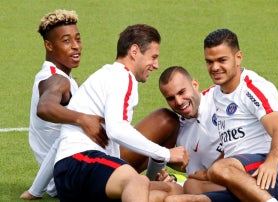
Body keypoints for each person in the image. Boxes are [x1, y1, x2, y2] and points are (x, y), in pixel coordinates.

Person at [53, 24, 188, 201]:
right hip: (82, 164)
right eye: (153, 57)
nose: (156, 65)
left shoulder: (103, 76)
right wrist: (166, 153)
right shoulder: (123, 77)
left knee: (168, 191)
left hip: (72, 175)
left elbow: (60, 143)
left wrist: (35, 190)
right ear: (134, 51)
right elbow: (116, 130)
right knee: (137, 182)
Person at [159, 66, 278, 202]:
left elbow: (277, 127)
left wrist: (272, 161)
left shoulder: (220, 94)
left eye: (182, 92)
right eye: (171, 98)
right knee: (192, 186)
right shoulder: (182, 137)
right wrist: (171, 177)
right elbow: (200, 177)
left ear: (194, 85)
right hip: (252, 180)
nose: (179, 102)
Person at [21, 9, 107, 200]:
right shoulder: (56, 80)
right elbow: (45, 108)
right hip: (70, 175)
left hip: (72, 168)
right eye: (66, 41)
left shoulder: (62, 77)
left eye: (78, 39)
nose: (76, 46)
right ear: (48, 45)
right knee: (164, 122)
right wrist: (83, 119)